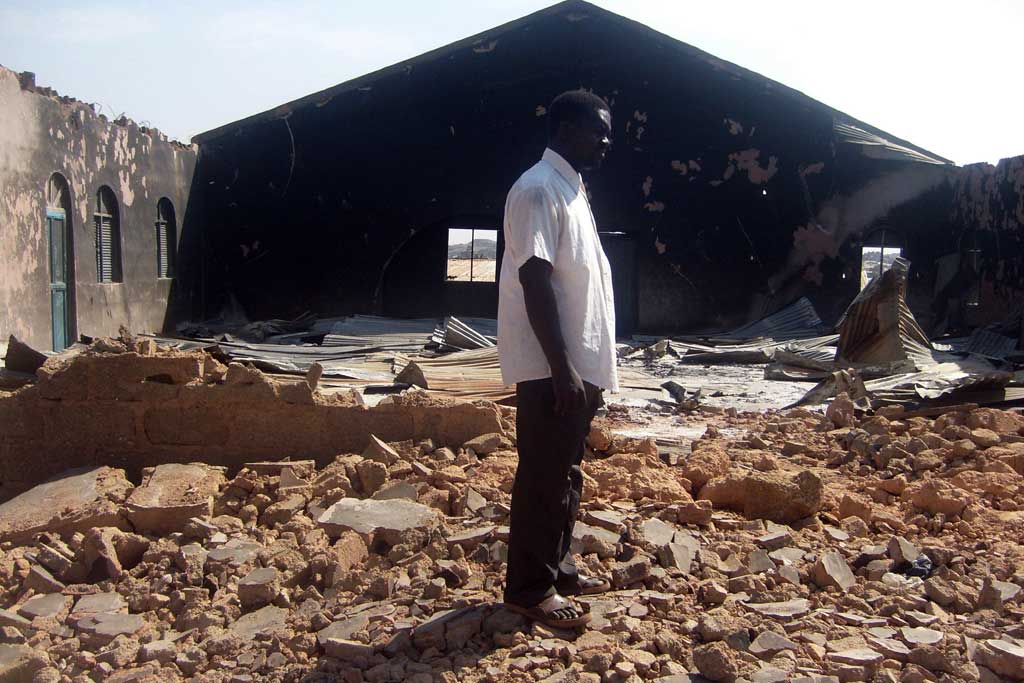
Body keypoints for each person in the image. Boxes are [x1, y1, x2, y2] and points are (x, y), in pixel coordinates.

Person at [498, 89, 618, 629]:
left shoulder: (572, 191)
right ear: (567, 128)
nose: (606, 139)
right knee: (543, 477)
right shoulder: (537, 190)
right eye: (598, 129)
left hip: (576, 364)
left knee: (566, 473)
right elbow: (534, 280)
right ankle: (528, 590)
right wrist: (561, 366)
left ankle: (557, 566)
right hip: (555, 367)